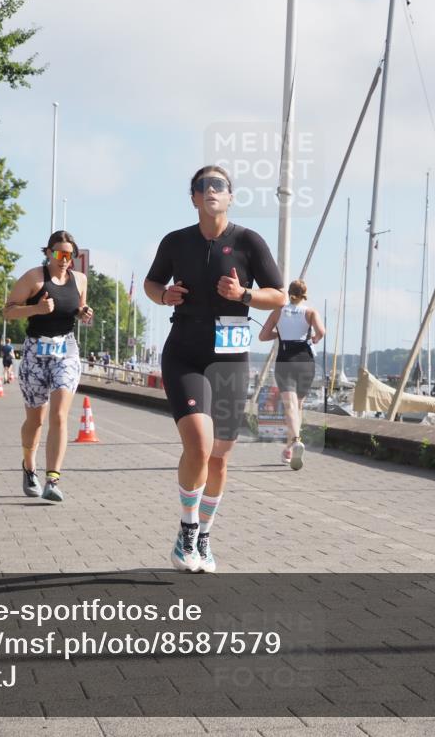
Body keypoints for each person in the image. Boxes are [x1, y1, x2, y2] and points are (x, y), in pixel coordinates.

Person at [145, 165, 286, 573]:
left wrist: (244, 294)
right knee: (199, 445)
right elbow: (152, 284)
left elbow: (278, 295)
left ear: (230, 196)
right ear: (193, 197)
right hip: (184, 353)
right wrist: (164, 296)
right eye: (203, 186)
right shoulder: (176, 241)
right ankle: (187, 531)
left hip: (230, 359)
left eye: (219, 185)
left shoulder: (248, 241)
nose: (212, 190)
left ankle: (204, 536)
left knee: (220, 457)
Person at [3, 231, 94, 502]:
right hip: (35, 351)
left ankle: (52, 479)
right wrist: (36, 309)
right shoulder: (34, 278)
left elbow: (78, 306)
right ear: (48, 253)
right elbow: (8, 311)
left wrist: (83, 313)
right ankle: (29, 466)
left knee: (59, 415)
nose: (64, 259)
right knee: (36, 420)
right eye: (59, 253)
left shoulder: (80, 279)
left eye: (70, 255)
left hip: (65, 350)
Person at [258, 279, 325, 470]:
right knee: (298, 406)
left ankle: (295, 441)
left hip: (285, 360)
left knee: (290, 406)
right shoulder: (311, 312)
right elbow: (321, 332)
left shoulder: (278, 311)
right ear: (304, 294)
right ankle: (289, 448)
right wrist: (314, 338)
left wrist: (278, 334)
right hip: (305, 362)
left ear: (288, 293)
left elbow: (263, 336)